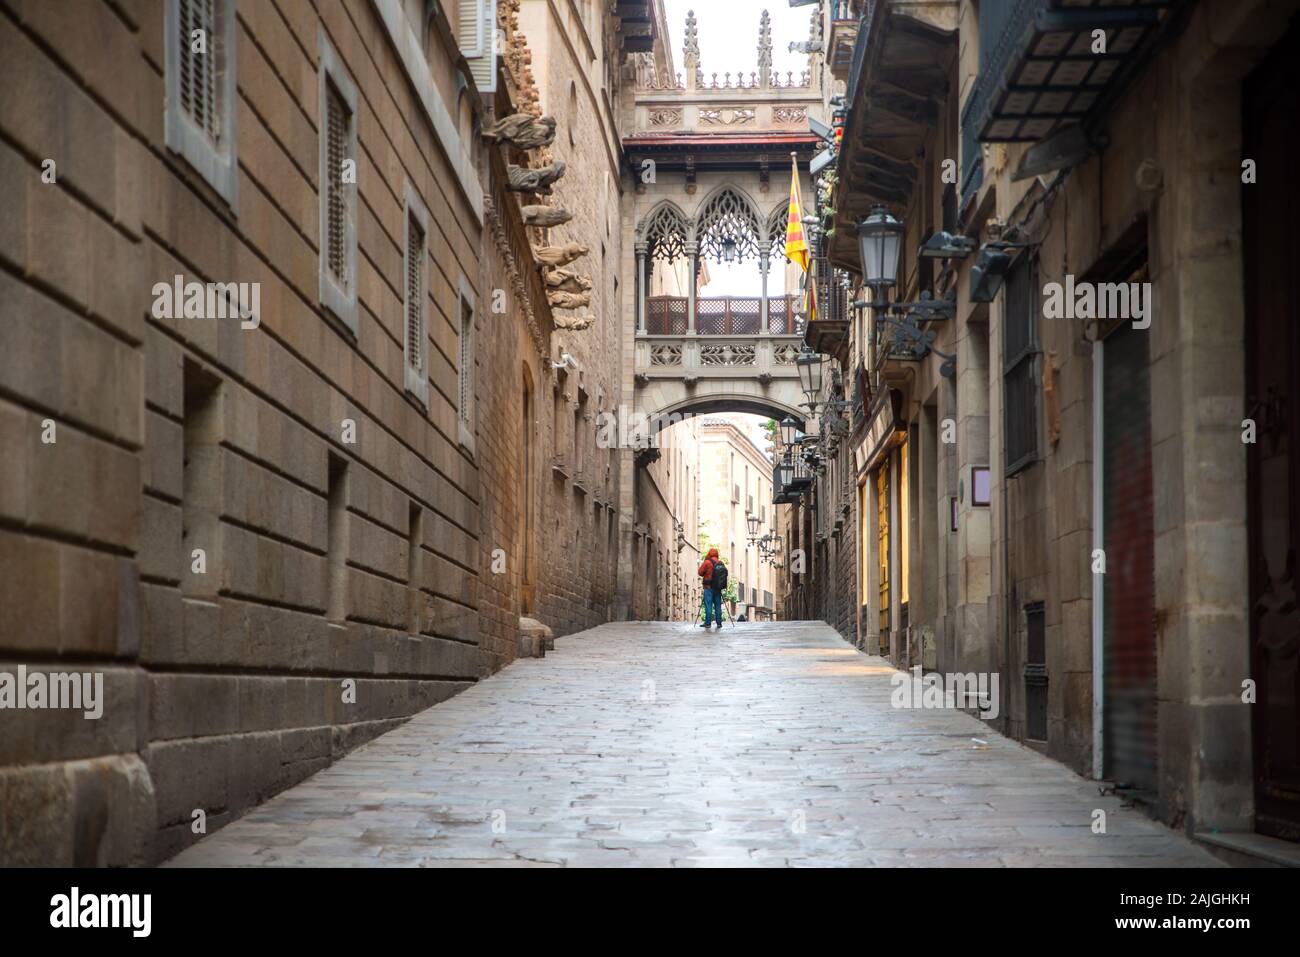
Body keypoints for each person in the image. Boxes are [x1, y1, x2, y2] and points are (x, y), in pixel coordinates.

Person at [698, 547, 725, 629]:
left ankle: (708, 623)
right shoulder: (721, 563)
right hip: (717, 588)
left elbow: (700, 572)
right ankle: (719, 623)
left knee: (708, 605)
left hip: (708, 587)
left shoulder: (707, 562)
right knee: (717, 606)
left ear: (709, 554)